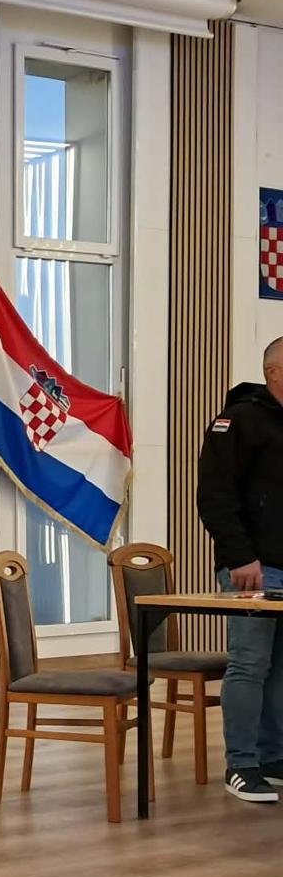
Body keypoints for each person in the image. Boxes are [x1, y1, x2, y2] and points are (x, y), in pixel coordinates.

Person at [197, 336, 283, 804]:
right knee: (250, 663)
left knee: (281, 668)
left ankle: (273, 758)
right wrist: (239, 557)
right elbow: (215, 495)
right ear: (273, 371)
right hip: (254, 568)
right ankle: (242, 764)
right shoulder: (239, 421)